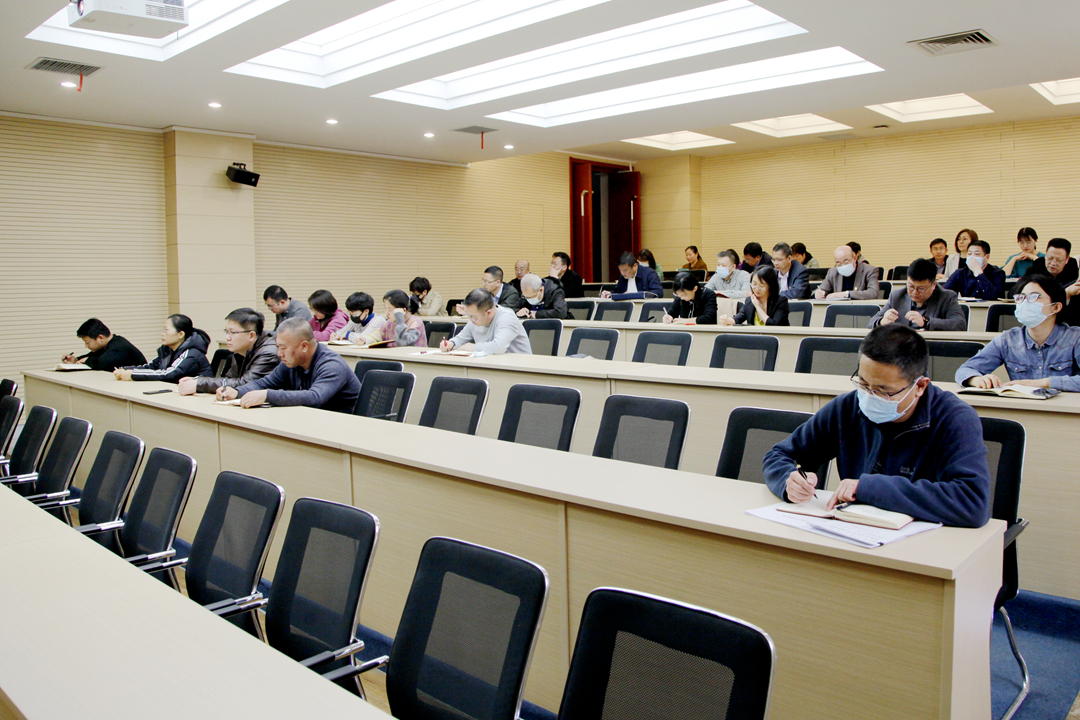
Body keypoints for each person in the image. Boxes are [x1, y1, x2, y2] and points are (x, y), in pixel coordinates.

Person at [763, 324, 991, 528]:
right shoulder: (848, 406)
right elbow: (778, 454)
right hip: (854, 531)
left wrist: (868, 488)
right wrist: (788, 481)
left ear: (920, 386)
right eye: (863, 383)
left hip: (925, 543)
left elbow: (972, 502)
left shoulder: (954, 419)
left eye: (883, 391)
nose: (870, 396)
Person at [956, 275, 1080, 392]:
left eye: (1034, 297)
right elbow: (965, 370)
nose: (1025, 302)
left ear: (1056, 307)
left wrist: (1044, 383)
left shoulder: (1075, 338)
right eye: (1021, 297)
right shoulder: (1008, 340)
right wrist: (976, 379)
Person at [219, 318, 360, 413]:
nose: (279, 353)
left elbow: (315, 397)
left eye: (283, 348)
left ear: (304, 346)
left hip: (345, 428)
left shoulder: (332, 365)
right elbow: (264, 383)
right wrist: (237, 392)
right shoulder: (291, 362)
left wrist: (267, 395)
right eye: (278, 347)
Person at [179, 308, 279, 395]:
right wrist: (196, 381)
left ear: (251, 335)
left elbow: (246, 384)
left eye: (232, 332)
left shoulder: (268, 353)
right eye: (226, 331)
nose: (227, 337)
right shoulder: (241, 350)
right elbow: (230, 380)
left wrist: (200, 384)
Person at [869, 258, 966, 331]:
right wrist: (882, 321)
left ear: (933, 285)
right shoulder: (897, 296)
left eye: (921, 288)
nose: (915, 292)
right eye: (911, 286)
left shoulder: (947, 297)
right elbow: (871, 322)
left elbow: (960, 324)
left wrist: (926, 322)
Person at [115, 314, 211, 382]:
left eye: (166, 330)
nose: (162, 333)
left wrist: (133, 375)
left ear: (181, 334)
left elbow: (169, 374)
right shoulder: (167, 350)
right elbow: (150, 367)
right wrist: (124, 370)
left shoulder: (192, 353)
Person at [440, 288, 532, 355]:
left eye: (473, 317)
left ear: (488, 312)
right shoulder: (475, 318)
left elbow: (498, 347)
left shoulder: (506, 317)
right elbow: (460, 339)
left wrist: (474, 347)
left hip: (518, 367)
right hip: (492, 364)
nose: (471, 319)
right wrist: (451, 344)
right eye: (469, 315)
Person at [62, 318, 146, 371]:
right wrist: (76, 360)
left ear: (100, 338)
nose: (87, 346)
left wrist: (86, 360)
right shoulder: (106, 345)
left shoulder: (118, 346)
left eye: (87, 342)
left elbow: (102, 363)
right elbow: (92, 356)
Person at [719, 266, 789, 326]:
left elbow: (774, 325)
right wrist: (727, 320)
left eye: (762, 285)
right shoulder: (750, 300)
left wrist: (757, 307)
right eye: (754, 284)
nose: (757, 289)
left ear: (771, 286)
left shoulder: (781, 302)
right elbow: (737, 319)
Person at [814, 245, 880, 300]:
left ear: (854, 258)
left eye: (846, 262)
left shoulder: (870, 270)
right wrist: (818, 293)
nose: (843, 266)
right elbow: (821, 289)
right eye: (839, 264)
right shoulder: (833, 272)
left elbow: (873, 293)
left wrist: (846, 294)